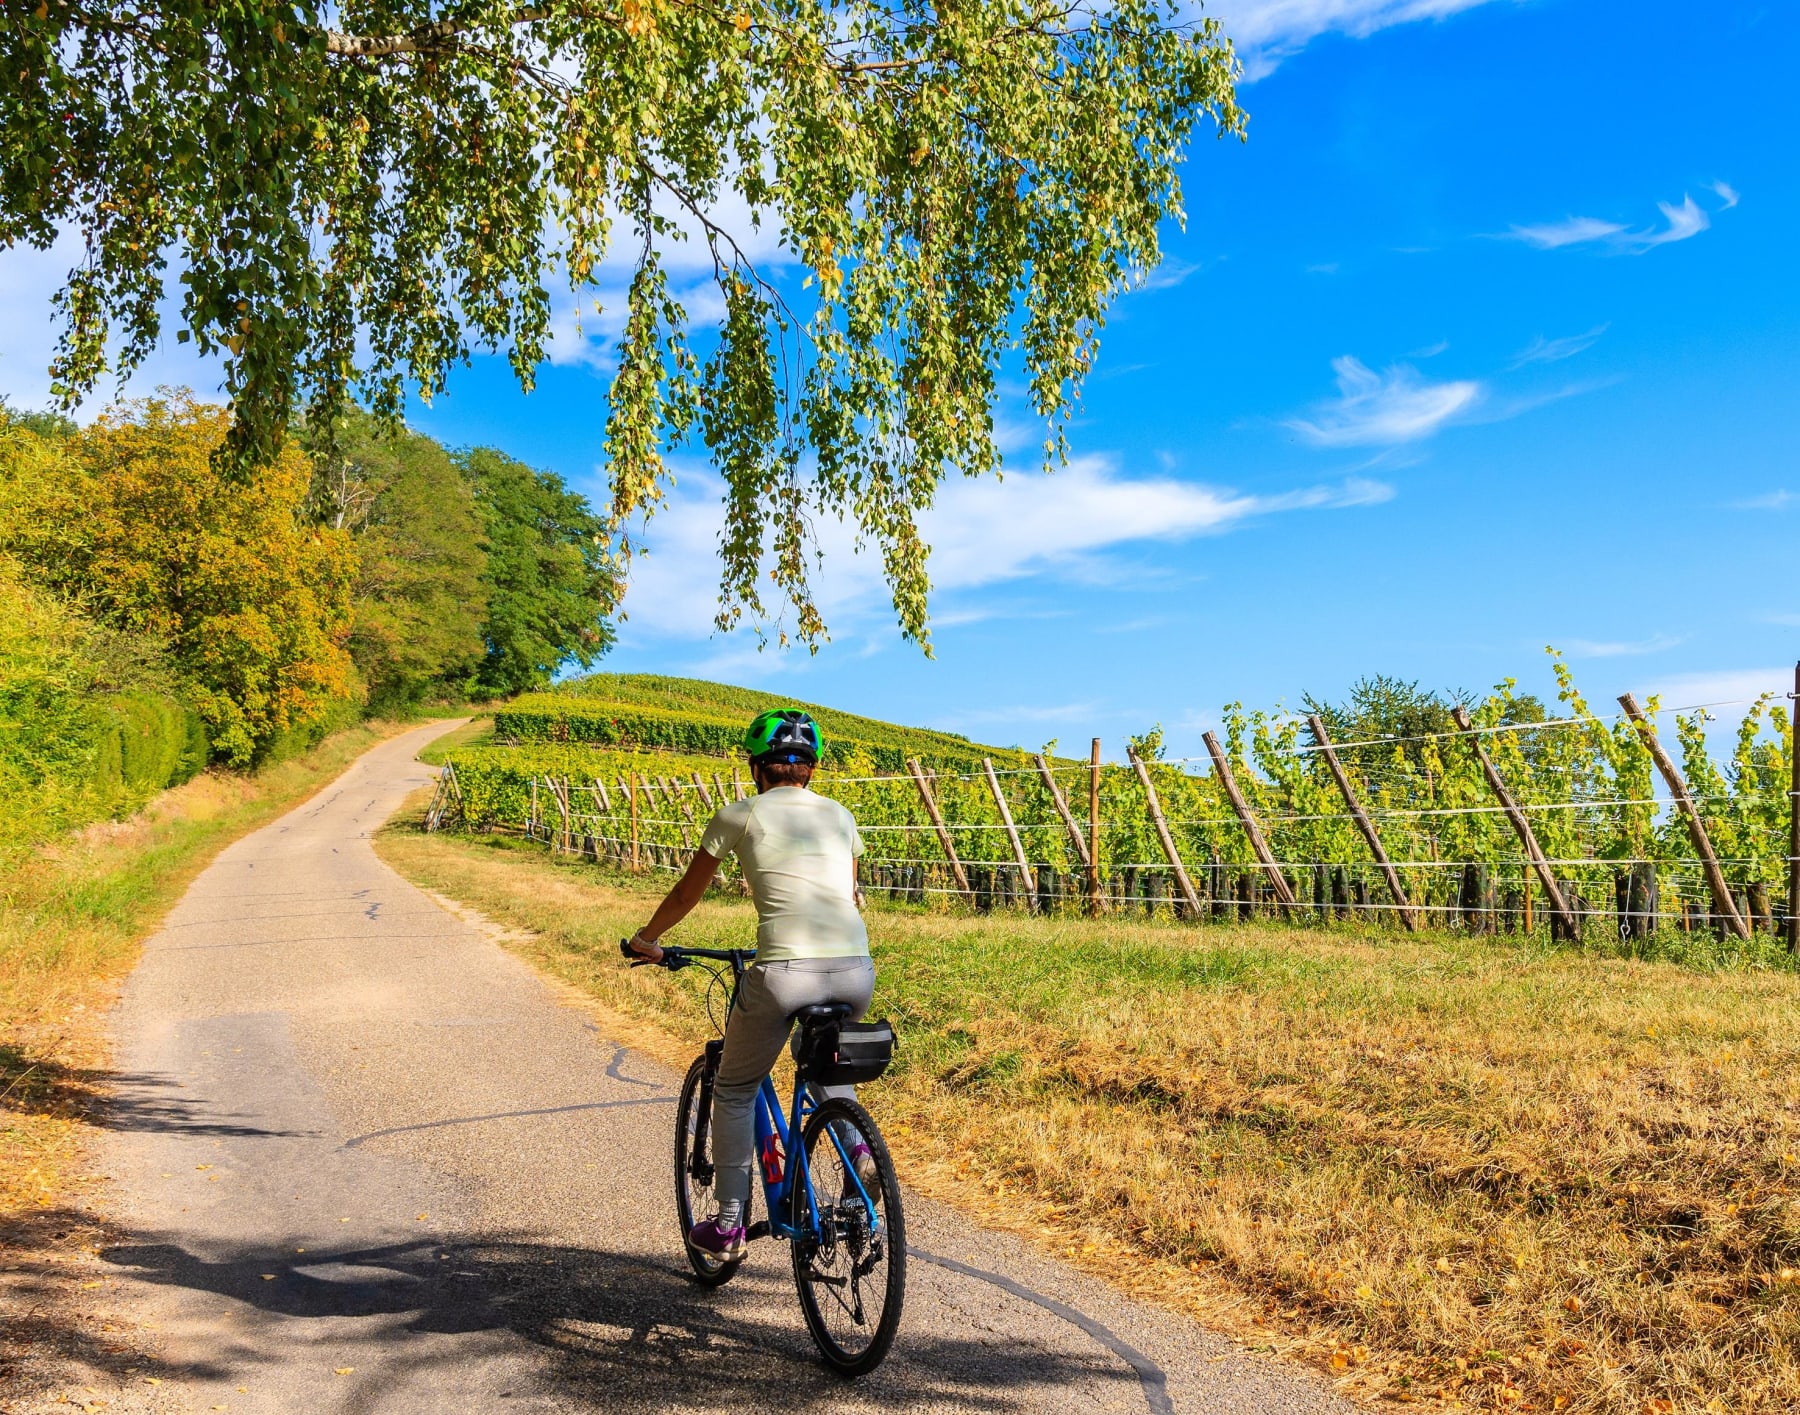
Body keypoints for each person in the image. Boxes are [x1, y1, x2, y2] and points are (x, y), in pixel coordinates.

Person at [625, 708, 875, 1259]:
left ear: (756, 767)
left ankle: (730, 1223)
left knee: (735, 1088)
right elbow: (847, 892)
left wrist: (647, 939)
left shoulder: (739, 814)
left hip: (785, 971)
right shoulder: (840, 816)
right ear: (810, 769)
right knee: (825, 1068)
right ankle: (859, 1155)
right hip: (856, 968)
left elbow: (687, 896)